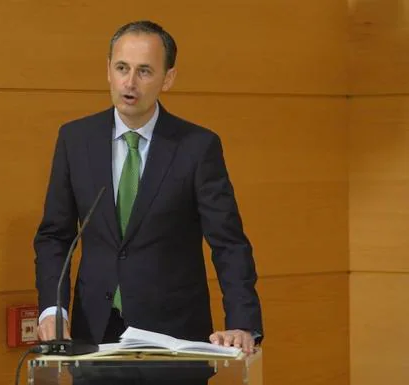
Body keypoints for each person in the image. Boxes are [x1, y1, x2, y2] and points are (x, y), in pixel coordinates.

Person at [34, 20, 263, 356]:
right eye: (122, 68)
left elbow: (228, 243)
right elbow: (55, 235)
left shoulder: (196, 147)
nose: (129, 83)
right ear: (108, 71)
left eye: (144, 71)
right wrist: (53, 310)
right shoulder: (75, 139)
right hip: (94, 334)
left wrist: (243, 322)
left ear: (167, 78)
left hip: (174, 337)